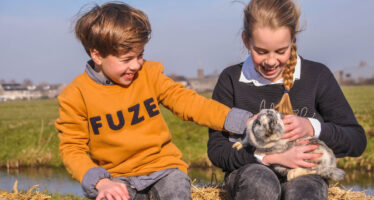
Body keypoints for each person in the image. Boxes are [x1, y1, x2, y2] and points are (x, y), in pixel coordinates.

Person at [55, 2, 253, 200]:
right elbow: (72, 149)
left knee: (176, 191)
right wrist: (101, 183)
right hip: (116, 177)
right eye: (126, 59)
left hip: (163, 170)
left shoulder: (149, 74)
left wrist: (243, 121)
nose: (136, 65)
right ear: (97, 55)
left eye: (140, 55)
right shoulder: (75, 95)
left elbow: (189, 103)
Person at [207, 0, 367, 199]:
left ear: (293, 40)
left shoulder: (318, 76)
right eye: (261, 51)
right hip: (249, 171)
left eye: (281, 51)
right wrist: (269, 158)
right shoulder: (230, 79)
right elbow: (217, 149)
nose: (271, 61)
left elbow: (356, 140)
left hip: (304, 173)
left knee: (303, 192)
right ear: (246, 41)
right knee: (259, 185)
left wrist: (312, 127)